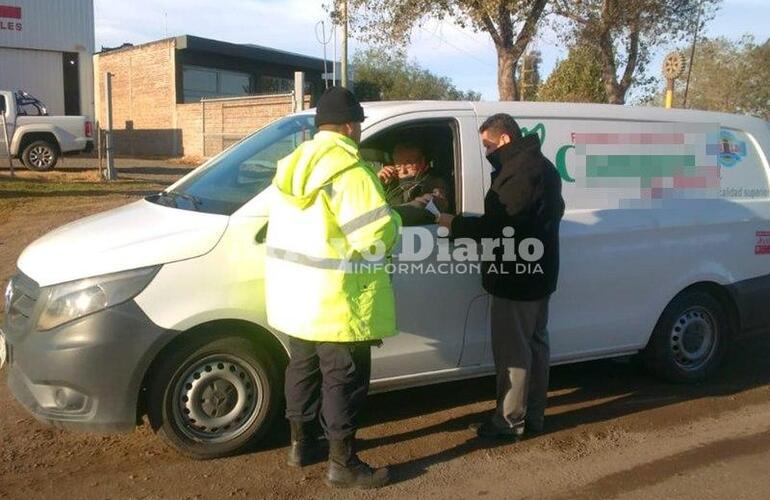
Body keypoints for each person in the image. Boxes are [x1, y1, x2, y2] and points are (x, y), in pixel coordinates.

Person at [264, 87, 402, 489]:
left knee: (302, 370)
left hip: (297, 297)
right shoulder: (349, 171)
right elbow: (374, 235)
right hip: (339, 299)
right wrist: (393, 216)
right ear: (349, 125)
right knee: (343, 378)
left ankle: (301, 446)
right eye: (358, 124)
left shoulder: (294, 165)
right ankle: (343, 464)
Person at [437, 113, 565, 440]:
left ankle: (508, 423)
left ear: (504, 139)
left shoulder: (519, 173)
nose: (486, 151)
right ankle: (532, 416)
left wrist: (455, 223)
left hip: (516, 278)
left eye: (487, 145)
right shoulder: (542, 167)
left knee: (514, 354)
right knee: (535, 347)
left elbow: (500, 227)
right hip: (537, 274)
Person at [377, 142, 451, 224]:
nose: (404, 170)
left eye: (409, 164)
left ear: (422, 162)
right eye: (398, 165)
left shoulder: (434, 181)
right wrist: (377, 183)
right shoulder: (391, 184)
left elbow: (433, 203)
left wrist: (394, 213)